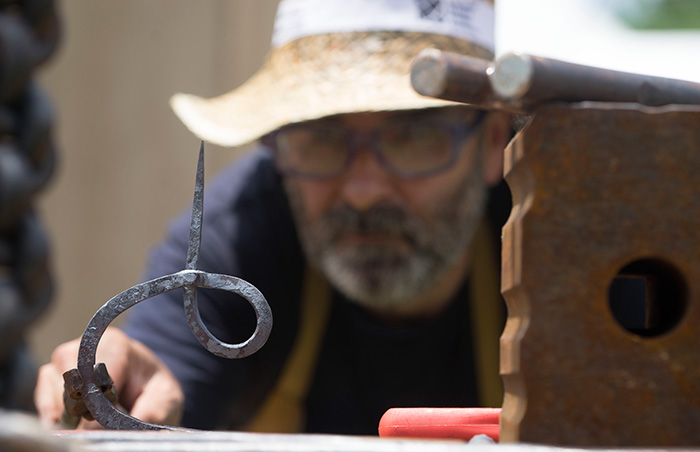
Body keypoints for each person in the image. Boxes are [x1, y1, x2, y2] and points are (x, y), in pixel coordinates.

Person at [34, 0, 512, 434]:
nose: (364, 192)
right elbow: (161, 374)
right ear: (279, 147)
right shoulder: (241, 231)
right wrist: (129, 389)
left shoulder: (551, 237)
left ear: (493, 142)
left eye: (411, 137)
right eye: (322, 138)